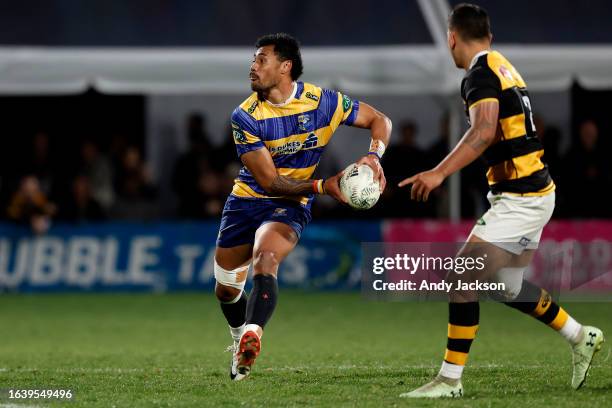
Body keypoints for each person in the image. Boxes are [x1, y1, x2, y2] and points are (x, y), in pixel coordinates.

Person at [398, 3, 604, 398]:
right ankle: (580, 335)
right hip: (533, 192)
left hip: (521, 199)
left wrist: (438, 172)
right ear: (488, 36)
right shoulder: (502, 64)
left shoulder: (480, 73)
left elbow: (484, 130)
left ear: (452, 37)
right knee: (507, 287)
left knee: (461, 276)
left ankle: (449, 380)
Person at [214, 33, 391, 381]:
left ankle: (253, 332)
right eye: (253, 59)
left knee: (267, 259)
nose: (252, 66)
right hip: (246, 203)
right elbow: (269, 182)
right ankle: (239, 337)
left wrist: (373, 156)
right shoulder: (245, 116)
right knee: (225, 289)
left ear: (285, 66)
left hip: (290, 205)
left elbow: (380, 120)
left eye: (260, 59)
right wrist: (324, 185)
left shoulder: (322, 102)